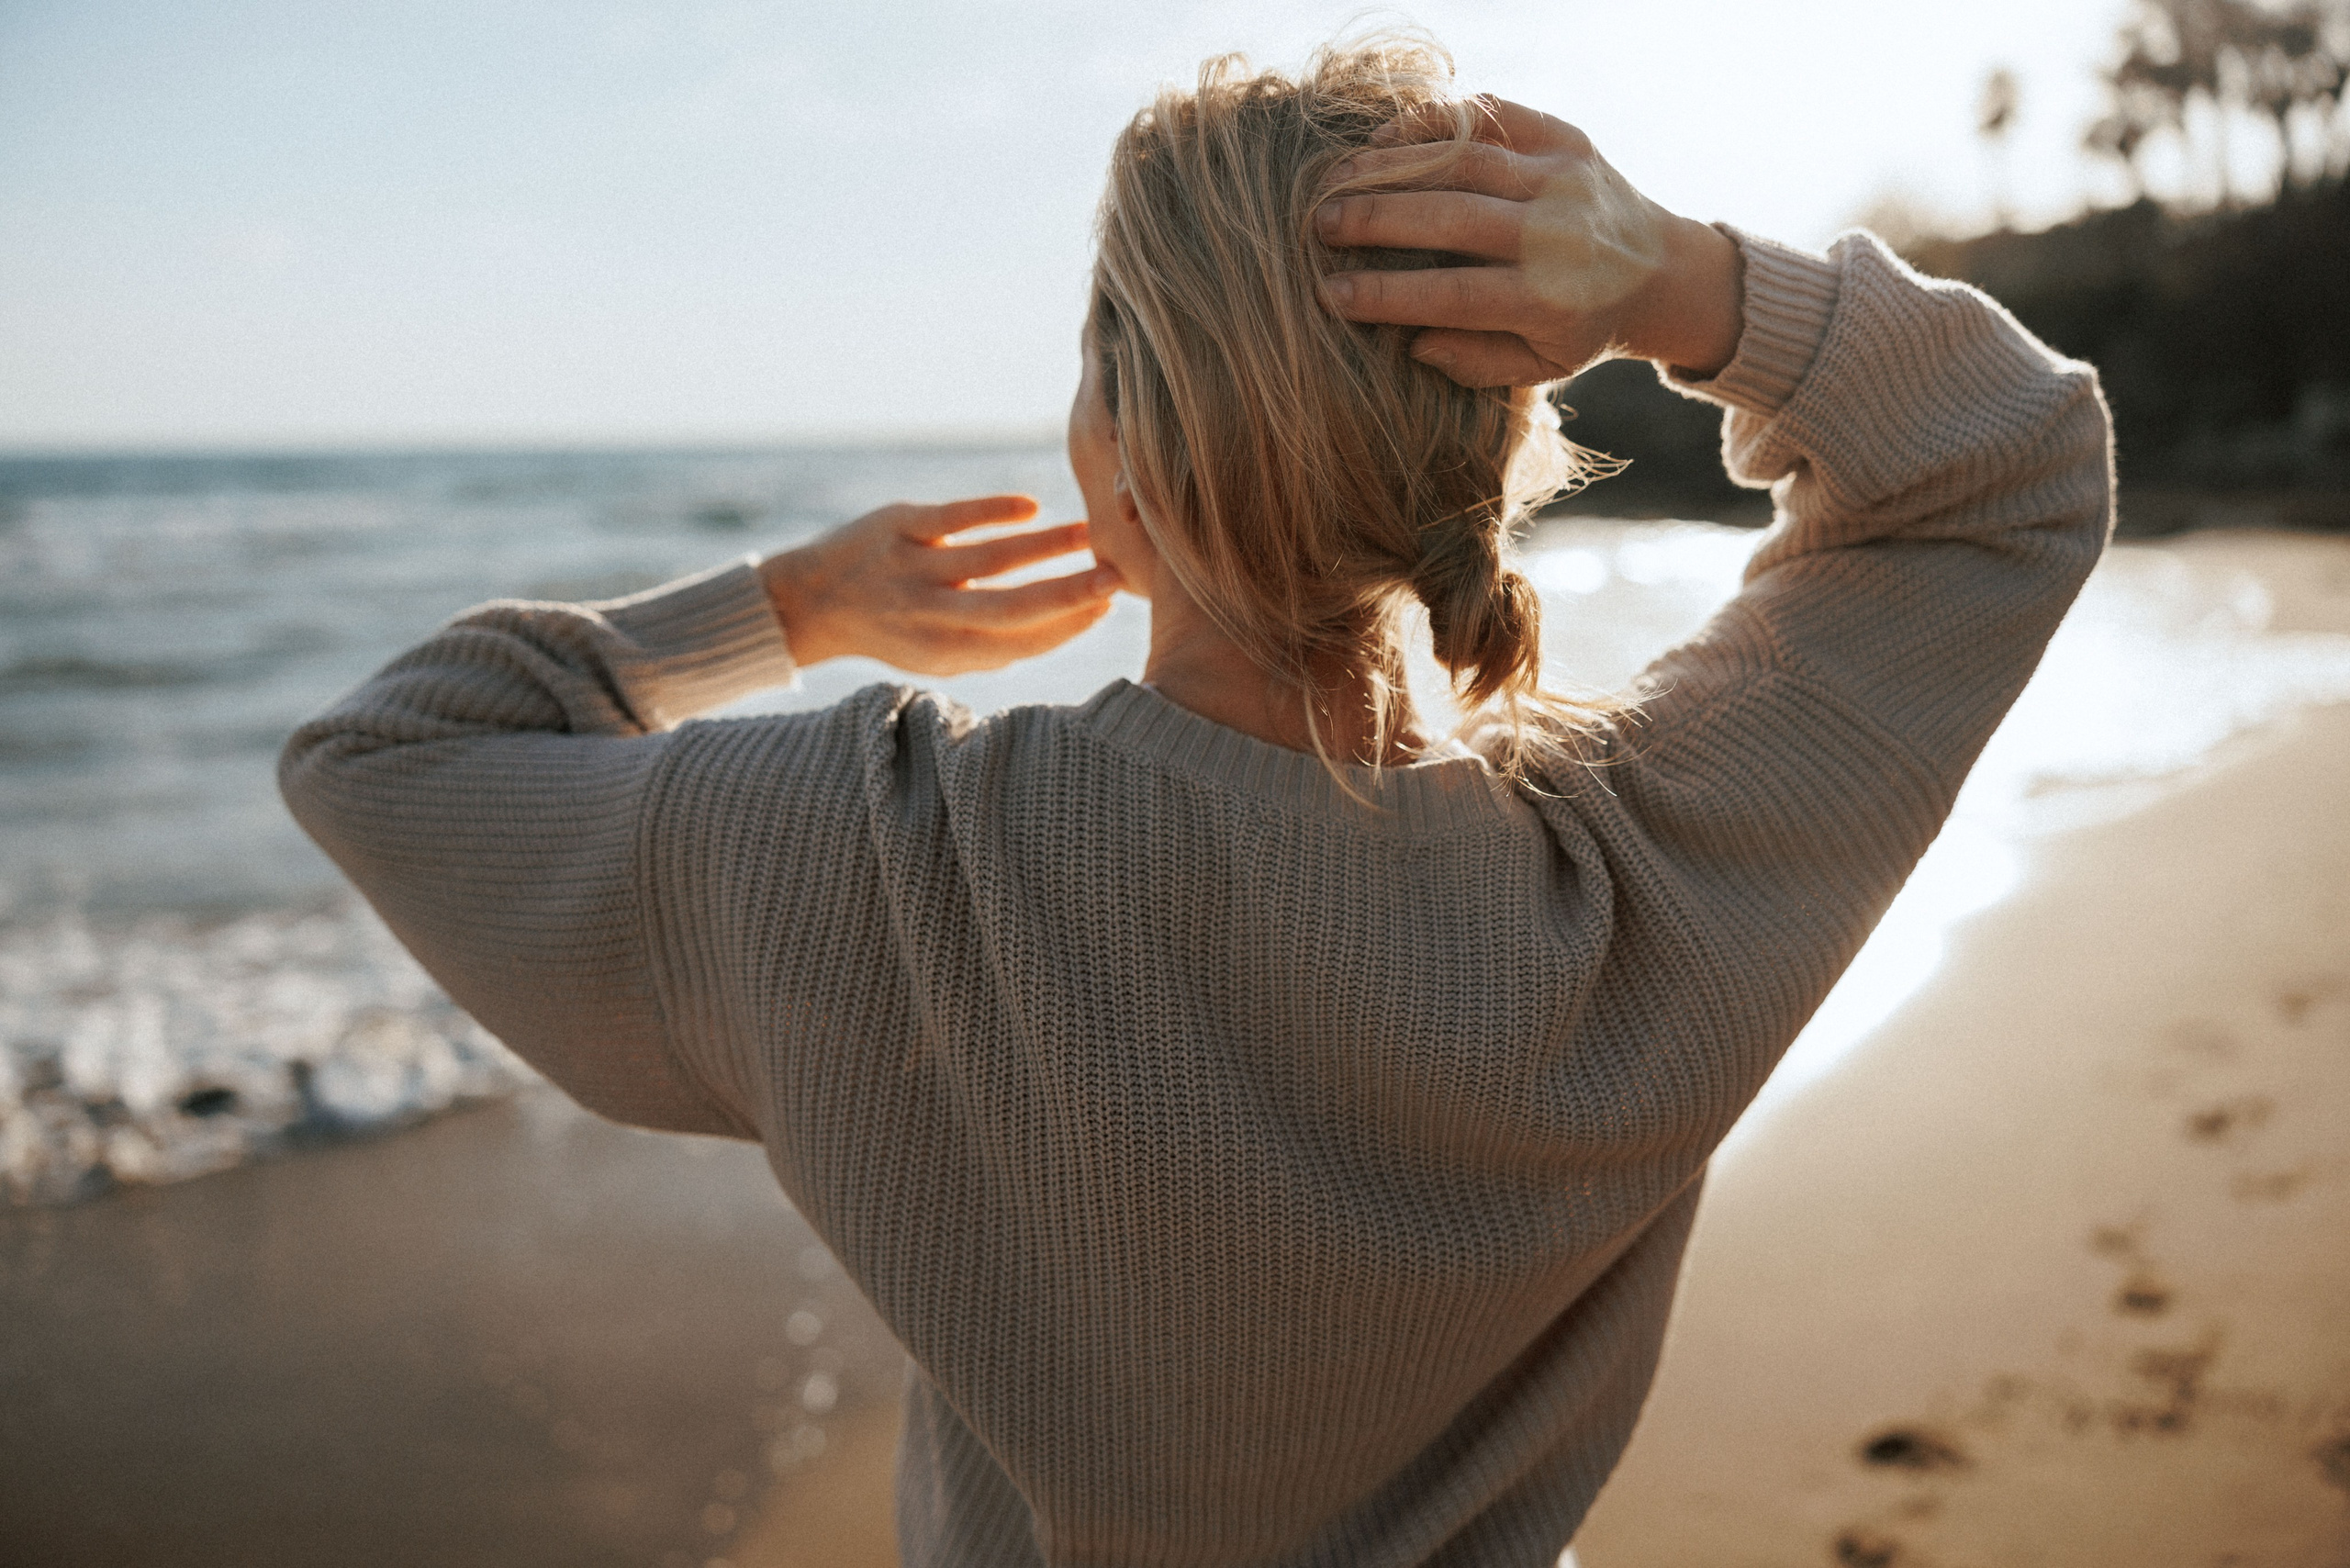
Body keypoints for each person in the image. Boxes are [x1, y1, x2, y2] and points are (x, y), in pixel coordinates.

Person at [280, 34, 2113, 1568]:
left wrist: (788, 608)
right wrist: (1679, 283)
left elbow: (387, 755)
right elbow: (2004, 465)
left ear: (1121, 444)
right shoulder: (1637, 874)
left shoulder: (878, 852)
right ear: (1489, 420)